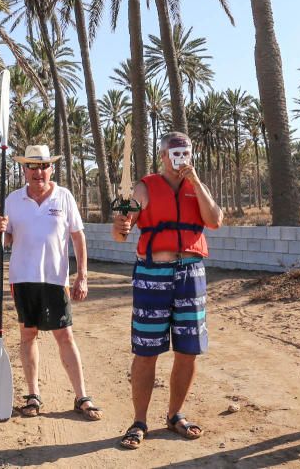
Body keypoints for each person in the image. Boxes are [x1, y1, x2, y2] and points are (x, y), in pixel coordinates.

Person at [111, 132, 223, 450]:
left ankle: (175, 415)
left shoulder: (196, 186)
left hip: (191, 273)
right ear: (162, 156)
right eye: (174, 154)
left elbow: (214, 220)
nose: (180, 159)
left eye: (185, 153)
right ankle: (139, 421)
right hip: (152, 274)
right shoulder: (144, 187)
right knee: (146, 351)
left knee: (188, 349)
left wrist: (196, 181)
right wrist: (119, 227)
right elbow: (122, 231)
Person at [0, 144, 101, 421]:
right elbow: (6, 242)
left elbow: (78, 238)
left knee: (65, 336)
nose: (38, 172)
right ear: (24, 170)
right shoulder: (13, 200)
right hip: (22, 278)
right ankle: (33, 394)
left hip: (55, 280)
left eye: (43, 166)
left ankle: (82, 396)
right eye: (32, 166)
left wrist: (82, 276)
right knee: (28, 336)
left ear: (51, 168)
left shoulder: (64, 197)